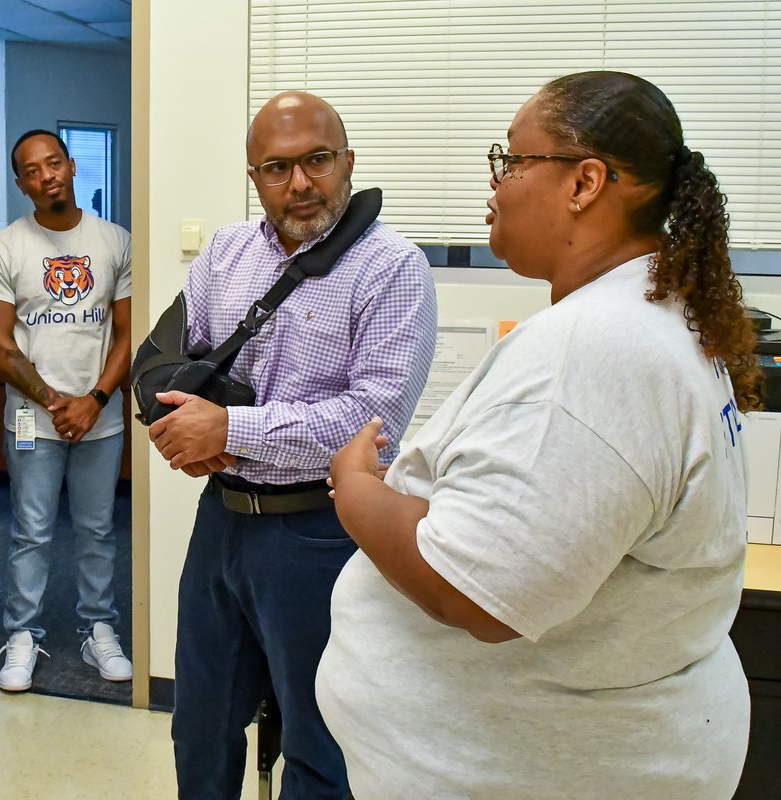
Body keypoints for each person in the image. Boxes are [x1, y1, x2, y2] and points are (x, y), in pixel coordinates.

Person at [317, 71, 759, 799]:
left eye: (512, 161)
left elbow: (479, 595)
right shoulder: (644, 320)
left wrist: (356, 487)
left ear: (585, 182)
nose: (494, 184)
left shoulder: (596, 349)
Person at [148, 91, 437, 798]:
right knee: (200, 723)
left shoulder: (392, 268)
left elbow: (374, 421)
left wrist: (230, 430)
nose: (300, 183)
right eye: (277, 168)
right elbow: (164, 363)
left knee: (320, 737)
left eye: (317, 160)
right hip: (221, 522)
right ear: (255, 177)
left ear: (348, 162)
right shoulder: (225, 252)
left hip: (320, 533)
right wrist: (189, 437)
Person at [0, 129, 133, 692]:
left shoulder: (116, 241)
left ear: (70, 165)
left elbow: (127, 334)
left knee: (97, 529)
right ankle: (22, 634)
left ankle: (99, 630)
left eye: (54, 162)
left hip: (101, 417)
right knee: (31, 531)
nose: (47, 175)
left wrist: (92, 402)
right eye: (33, 170)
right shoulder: (4, 248)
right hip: (32, 420)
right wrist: (53, 402)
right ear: (22, 184)